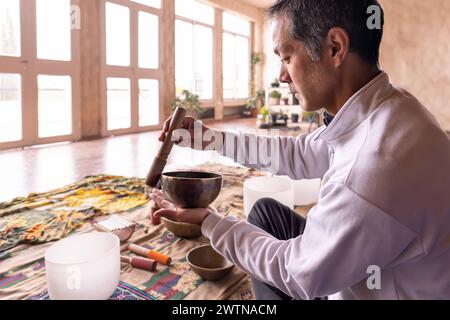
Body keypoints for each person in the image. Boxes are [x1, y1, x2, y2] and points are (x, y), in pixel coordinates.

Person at [150, 0, 450, 300]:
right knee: (265, 213)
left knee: (272, 260)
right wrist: (211, 139)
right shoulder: (391, 106)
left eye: (286, 56)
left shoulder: (370, 172)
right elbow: (299, 153)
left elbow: (295, 274)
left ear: (335, 47)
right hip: (375, 268)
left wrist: (209, 222)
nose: (282, 76)